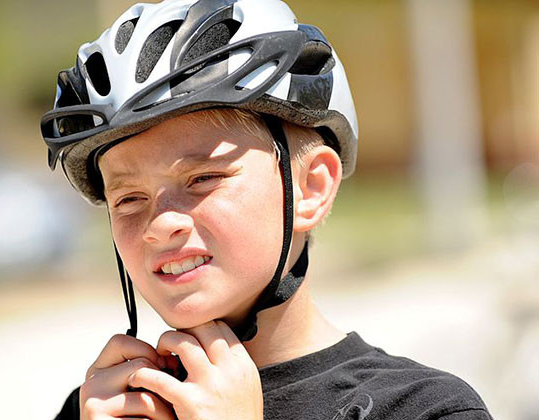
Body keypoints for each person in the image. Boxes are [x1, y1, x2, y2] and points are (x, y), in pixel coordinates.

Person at [40, 0, 493, 418]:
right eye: (129, 199)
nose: (161, 226)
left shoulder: (424, 410)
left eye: (202, 179)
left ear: (311, 187)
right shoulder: (107, 406)